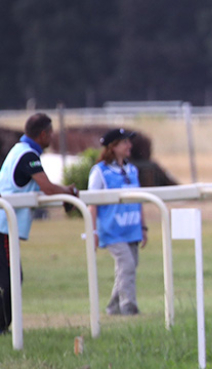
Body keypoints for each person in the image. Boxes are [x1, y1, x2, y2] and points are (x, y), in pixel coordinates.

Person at [0, 113, 79, 334]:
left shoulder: (19, 151)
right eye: (51, 133)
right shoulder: (27, 156)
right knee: (12, 279)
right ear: (43, 134)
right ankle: (2, 328)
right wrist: (69, 192)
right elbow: (48, 188)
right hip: (4, 225)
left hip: (5, 223)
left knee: (11, 278)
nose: (52, 137)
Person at [88, 128, 148, 316]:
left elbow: (139, 201)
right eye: (124, 142)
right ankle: (128, 307)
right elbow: (92, 204)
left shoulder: (132, 169)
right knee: (127, 265)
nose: (129, 146)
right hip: (112, 230)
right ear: (113, 147)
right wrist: (93, 232)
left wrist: (143, 227)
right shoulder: (100, 171)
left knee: (127, 268)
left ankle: (113, 307)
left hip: (131, 229)